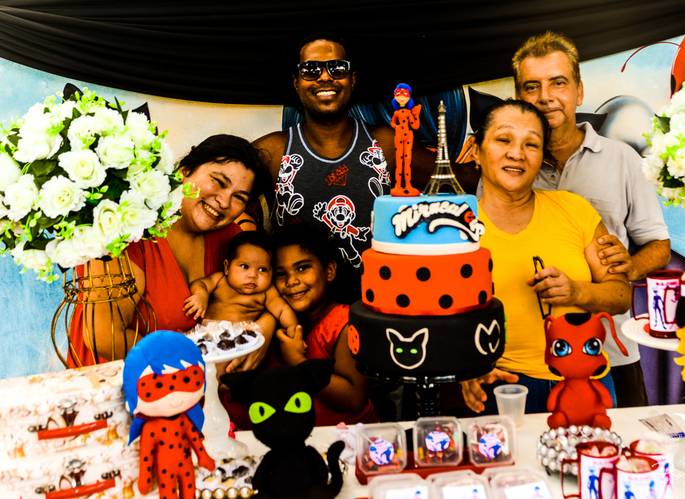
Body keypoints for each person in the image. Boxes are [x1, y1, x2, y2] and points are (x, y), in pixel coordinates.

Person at [252, 35, 476, 303]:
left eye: (337, 68)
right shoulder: (275, 151)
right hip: (301, 319)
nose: (324, 77)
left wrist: (497, 153)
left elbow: (460, 180)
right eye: (311, 70)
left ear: (352, 80)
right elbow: (220, 188)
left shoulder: (386, 144)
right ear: (296, 83)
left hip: (379, 306)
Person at [512, 32, 671, 407]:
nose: (545, 96)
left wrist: (626, 268)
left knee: (625, 444)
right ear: (519, 97)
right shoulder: (507, 167)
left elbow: (659, 247)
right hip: (527, 352)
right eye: (531, 86)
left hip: (610, 344)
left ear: (579, 92)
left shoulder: (622, 159)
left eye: (558, 83)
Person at [460, 99, 630, 414]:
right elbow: (438, 319)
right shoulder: (454, 227)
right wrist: (464, 371)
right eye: (503, 139)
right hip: (500, 386)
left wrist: (578, 291)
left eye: (532, 144)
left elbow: (621, 295)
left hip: (583, 381)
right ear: (476, 150)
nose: (517, 153)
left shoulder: (574, 209)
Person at [66, 134, 275, 373]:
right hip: (117, 387)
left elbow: (268, 291)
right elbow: (104, 337)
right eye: (218, 181)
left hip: (189, 391)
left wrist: (265, 328)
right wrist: (191, 360)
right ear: (184, 172)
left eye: (239, 197)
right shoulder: (129, 230)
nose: (224, 201)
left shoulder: (230, 239)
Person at [271, 224, 377, 425]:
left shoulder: (344, 323)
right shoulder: (288, 323)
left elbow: (355, 398)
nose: (291, 281)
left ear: (329, 271)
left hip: (347, 442)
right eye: (280, 273)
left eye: (302, 268)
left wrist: (298, 362)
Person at [183, 231, 298, 334]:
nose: (253, 275)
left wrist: (293, 330)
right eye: (244, 266)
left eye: (262, 269)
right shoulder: (220, 280)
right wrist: (201, 295)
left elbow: (283, 310)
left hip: (241, 339)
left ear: (271, 272)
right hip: (206, 332)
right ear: (227, 267)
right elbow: (200, 284)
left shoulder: (267, 293)